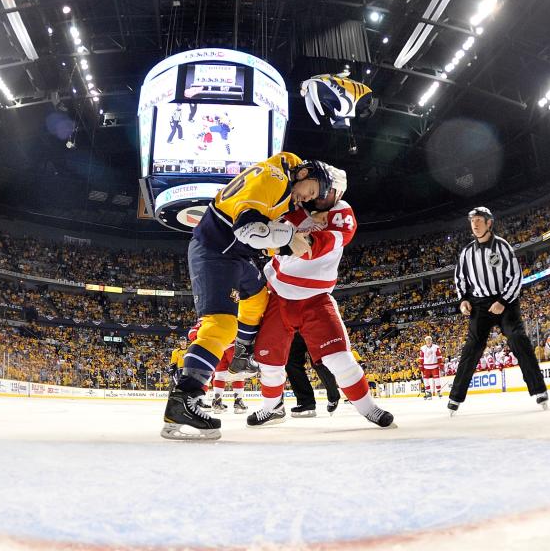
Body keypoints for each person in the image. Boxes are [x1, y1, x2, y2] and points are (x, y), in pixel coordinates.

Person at [161, 152, 330, 440]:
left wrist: (292, 234)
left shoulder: (279, 180)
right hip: (214, 252)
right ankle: (184, 399)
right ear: (302, 174)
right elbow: (249, 229)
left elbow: (259, 236)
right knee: (221, 326)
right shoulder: (274, 179)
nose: (307, 198)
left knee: (258, 296)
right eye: (311, 191)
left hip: (234, 256)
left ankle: (242, 352)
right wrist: (290, 239)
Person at [245, 180, 395, 429]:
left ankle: (369, 408)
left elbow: (317, 244)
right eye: (310, 190)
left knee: (339, 358)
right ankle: (271, 408)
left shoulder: (342, 211)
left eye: (321, 190)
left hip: (315, 299)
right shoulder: (289, 206)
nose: (317, 195)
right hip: (278, 295)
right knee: (269, 362)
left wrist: (295, 238)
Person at [448, 207, 548, 415]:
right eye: (472, 221)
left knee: (517, 338)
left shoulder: (503, 247)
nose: (474, 224)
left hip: (506, 302)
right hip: (479, 304)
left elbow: (516, 276)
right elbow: (460, 279)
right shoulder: (466, 252)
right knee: (472, 347)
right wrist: (463, 300)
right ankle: (455, 398)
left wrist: (503, 301)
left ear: (489, 223)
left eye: (478, 220)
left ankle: (538, 390)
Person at [286, 332, 341, 417]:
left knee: (318, 362)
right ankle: (306, 402)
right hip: (294, 328)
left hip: (313, 325)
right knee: (291, 363)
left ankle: (333, 395)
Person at [210, 343, 247, 414]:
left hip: (218, 345)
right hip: (232, 343)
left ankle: (217, 402)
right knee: (238, 373)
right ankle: (238, 402)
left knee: (219, 374)